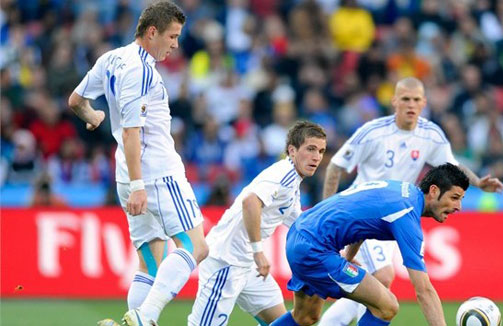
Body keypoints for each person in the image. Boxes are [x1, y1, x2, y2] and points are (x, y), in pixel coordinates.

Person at [319, 77, 503, 325]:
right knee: (382, 278)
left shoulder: (430, 134)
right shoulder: (373, 132)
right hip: (365, 213)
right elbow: (335, 166)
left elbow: (453, 166)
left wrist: (479, 182)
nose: (411, 104)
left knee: (376, 282)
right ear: (394, 101)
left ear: (424, 103)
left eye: (416, 100)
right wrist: (327, 212)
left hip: (396, 215)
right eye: (405, 99)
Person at [68, 2, 209, 326]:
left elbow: (76, 101)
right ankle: (145, 318)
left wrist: (94, 116)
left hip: (127, 171)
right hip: (156, 173)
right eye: (172, 36)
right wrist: (139, 186)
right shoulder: (142, 71)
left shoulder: (112, 58)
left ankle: (136, 320)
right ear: (152, 32)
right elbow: (132, 132)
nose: (175, 44)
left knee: (150, 263)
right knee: (196, 246)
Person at [271, 163, 469, 326]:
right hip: (315, 249)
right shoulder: (406, 213)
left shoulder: (400, 191)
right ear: (434, 191)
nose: (458, 207)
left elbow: (361, 219)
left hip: (299, 235)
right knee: (387, 306)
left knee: (305, 317)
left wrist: (347, 257)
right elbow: (423, 290)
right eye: (454, 198)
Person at [187, 121, 327, 326]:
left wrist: (337, 254)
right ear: (292, 150)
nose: (316, 157)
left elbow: (301, 224)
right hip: (227, 261)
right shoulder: (284, 176)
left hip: (249, 267)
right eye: (311, 149)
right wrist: (258, 251)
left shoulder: (293, 182)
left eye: (321, 151)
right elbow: (250, 202)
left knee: (284, 321)